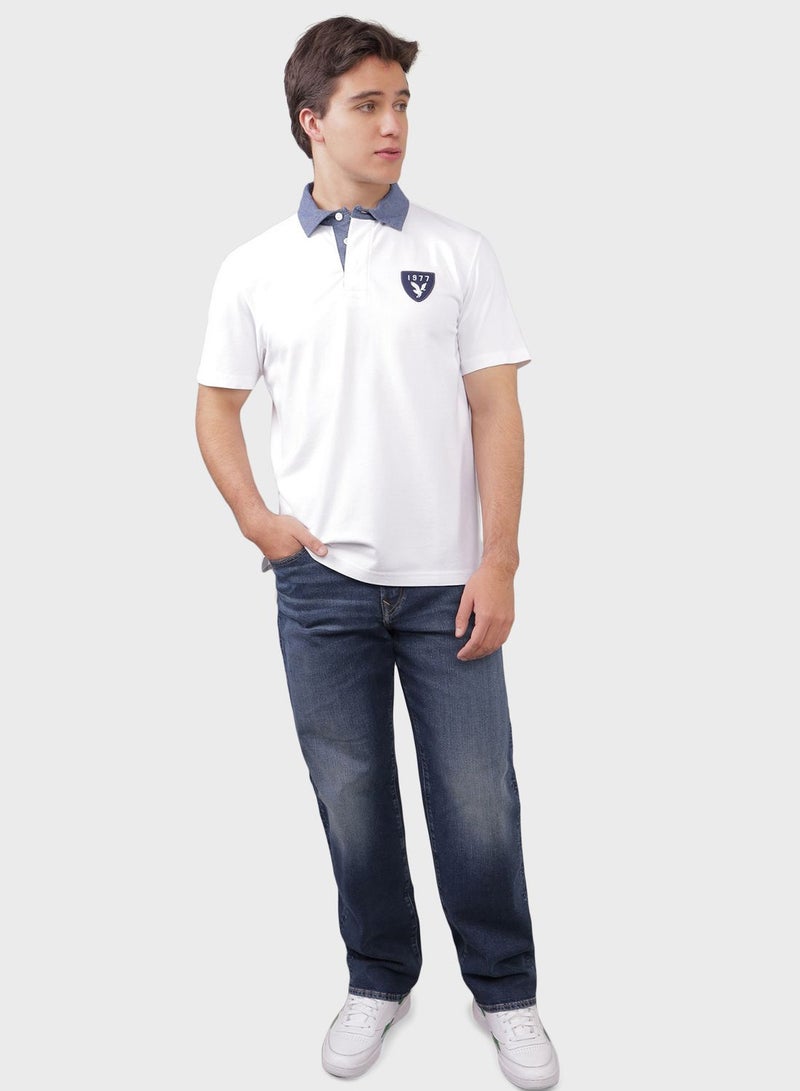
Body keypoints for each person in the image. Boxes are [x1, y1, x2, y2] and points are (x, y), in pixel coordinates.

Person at [195, 15, 560, 1090]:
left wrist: (500, 560)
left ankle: (506, 991)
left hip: (450, 583)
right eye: (367, 104)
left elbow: (495, 411)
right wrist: (257, 520)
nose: (393, 123)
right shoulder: (253, 268)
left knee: (478, 799)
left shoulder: (458, 252)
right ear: (311, 121)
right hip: (320, 586)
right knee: (350, 798)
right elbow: (215, 407)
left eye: (401, 103)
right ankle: (378, 975)